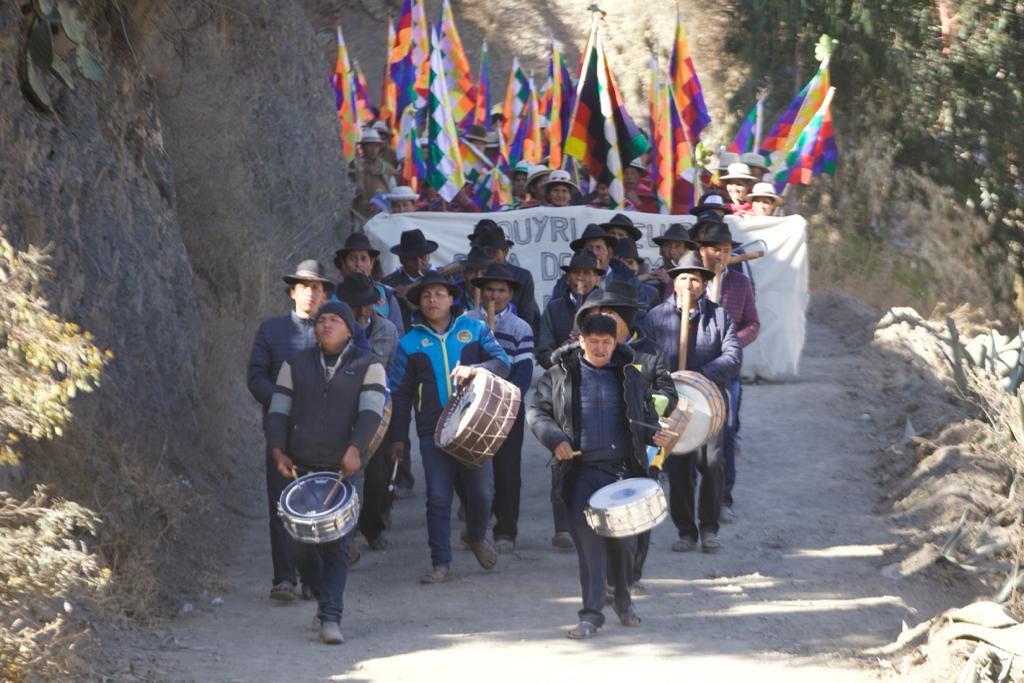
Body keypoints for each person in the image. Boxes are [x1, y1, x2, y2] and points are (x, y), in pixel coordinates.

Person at [528, 314, 674, 639]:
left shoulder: (630, 375)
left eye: (606, 342)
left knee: (624, 544)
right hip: (580, 473)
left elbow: (646, 417)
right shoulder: (558, 375)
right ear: (581, 340)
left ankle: (623, 601)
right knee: (589, 546)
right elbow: (537, 412)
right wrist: (556, 439)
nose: (600, 348)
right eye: (593, 341)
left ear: (615, 342)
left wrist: (655, 434)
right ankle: (591, 615)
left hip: (622, 474)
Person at [264, 301, 387, 644]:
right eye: (321, 321)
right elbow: (278, 411)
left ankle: (331, 617)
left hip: (344, 470)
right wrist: (277, 449)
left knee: (338, 545)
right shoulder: (295, 363)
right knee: (298, 543)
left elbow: (371, 412)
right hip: (300, 468)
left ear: (349, 329)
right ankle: (321, 596)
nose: (326, 325)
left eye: (334, 320)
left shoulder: (369, 364)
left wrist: (356, 448)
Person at [386, 272, 511, 584]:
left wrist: (476, 369)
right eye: (426, 295)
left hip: (475, 425)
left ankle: (476, 534)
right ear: (418, 302)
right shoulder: (408, 343)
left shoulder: (476, 329)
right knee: (438, 498)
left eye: (439, 294)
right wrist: (399, 437)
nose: (433, 300)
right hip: (433, 431)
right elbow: (399, 393)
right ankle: (440, 562)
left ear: (452, 298)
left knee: (482, 493)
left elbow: (502, 363)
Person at [573, 282, 677, 595]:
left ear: (626, 319)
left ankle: (631, 576)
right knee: (600, 509)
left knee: (639, 510)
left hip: (642, 447)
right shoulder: (584, 354)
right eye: (597, 314)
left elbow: (668, 394)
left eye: (609, 315)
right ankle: (607, 576)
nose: (602, 320)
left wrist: (641, 407)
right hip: (598, 449)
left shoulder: (651, 352)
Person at [641, 251, 741, 553]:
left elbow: (733, 356)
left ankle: (709, 529)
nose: (689, 284)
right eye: (683, 278)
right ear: (674, 282)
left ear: (704, 283)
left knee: (712, 465)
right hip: (673, 406)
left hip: (710, 406)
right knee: (679, 469)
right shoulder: (656, 317)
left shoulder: (719, 316)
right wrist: (668, 380)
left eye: (695, 279)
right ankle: (686, 531)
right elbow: (645, 357)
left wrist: (700, 377)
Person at [247, 260, 333, 603]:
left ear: (325, 295)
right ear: (291, 293)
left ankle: (314, 580)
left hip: (325, 434)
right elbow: (256, 377)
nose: (311, 293)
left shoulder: (336, 330)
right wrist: (284, 401)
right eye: (304, 287)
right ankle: (284, 577)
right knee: (282, 505)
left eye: (317, 288)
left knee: (318, 507)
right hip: (281, 432)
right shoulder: (271, 331)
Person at [693, 219, 759, 523]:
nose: (720, 255)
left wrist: (733, 343)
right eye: (714, 249)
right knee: (688, 433)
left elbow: (752, 323)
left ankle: (723, 498)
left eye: (726, 249)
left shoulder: (740, 283)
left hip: (727, 372)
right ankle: (688, 504)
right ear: (701, 250)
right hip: (692, 370)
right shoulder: (689, 279)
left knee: (726, 433)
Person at [467, 264, 534, 553]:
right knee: (472, 472)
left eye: (501, 290)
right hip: (472, 407)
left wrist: (505, 399)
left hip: (507, 408)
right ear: (481, 292)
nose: (495, 295)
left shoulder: (521, 328)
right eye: (490, 290)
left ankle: (506, 530)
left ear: (510, 294)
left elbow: (524, 371)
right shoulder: (467, 322)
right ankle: (477, 528)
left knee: (507, 473)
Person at [337, 274, 401, 550]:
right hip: (341, 410)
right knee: (345, 473)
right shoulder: (333, 327)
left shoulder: (388, 330)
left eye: (367, 303)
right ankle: (345, 539)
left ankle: (373, 528)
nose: (363, 310)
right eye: (356, 305)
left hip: (378, 409)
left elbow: (392, 373)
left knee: (376, 476)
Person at [468, 220, 541, 334]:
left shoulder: (522, 277)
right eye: (484, 251)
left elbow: (527, 316)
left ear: (505, 251)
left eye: (493, 252)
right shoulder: (466, 275)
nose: (488, 257)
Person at [536, 250, 604, 370]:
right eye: (575, 272)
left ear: (597, 279)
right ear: (567, 278)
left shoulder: (607, 307)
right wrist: (561, 356)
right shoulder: (553, 309)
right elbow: (543, 351)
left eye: (587, 273)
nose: (580, 278)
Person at [333, 232, 405, 335]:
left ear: (372, 263)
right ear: (343, 264)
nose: (358, 264)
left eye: (363, 258)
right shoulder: (332, 296)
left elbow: (398, 335)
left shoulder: (387, 295)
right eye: (352, 259)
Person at [549, 224, 642, 303]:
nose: (594, 253)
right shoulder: (565, 282)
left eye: (599, 247)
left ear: (609, 253)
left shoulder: (629, 279)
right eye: (589, 248)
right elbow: (554, 310)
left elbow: (640, 314)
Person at [382, 229, 440, 329]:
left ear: (428, 256)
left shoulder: (445, 278)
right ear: (401, 259)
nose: (418, 262)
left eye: (422, 257)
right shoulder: (388, 284)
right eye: (412, 258)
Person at [351, 129, 397, 218]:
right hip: (360, 213)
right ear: (363, 147)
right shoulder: (355, 166)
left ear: (379, 147)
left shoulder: (387, 168)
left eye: (376, 146)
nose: (373, 149)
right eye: (369, 145)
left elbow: (393, 191)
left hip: (383, 214)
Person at [649, 223, 698, 299]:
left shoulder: (696, 281)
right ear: (661, 251)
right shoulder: (651, 283)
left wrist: (670, 283)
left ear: (687, 252)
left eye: (677, 246)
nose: (672, 251)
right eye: (667, 245)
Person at [453, 244, 496, 311]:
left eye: (484, 273)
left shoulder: (501, 301)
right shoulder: (452, 296)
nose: (478, 278)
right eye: (472, 272)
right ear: (464, 275)